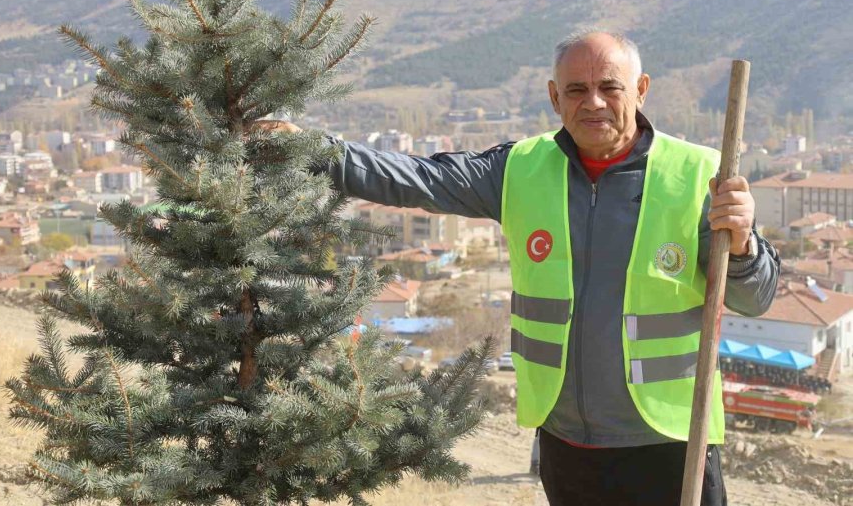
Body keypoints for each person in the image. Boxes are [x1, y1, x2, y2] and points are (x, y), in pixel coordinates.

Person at [266, 30, 779, 505]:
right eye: (576, 90)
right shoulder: (519, 169)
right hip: (566, 443)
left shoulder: (702, 174)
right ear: (554, 98)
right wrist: (309, 150)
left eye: (609, 87)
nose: (593, 102)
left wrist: (743, 248)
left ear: (641, 90)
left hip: (671, 443)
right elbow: (415, 177)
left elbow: (754, 298)